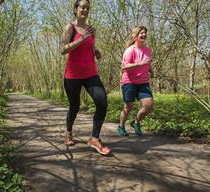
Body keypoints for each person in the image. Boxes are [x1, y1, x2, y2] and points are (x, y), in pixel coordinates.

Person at [60, 0, 110, 155]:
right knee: (74, 106)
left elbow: (91, 46)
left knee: (102, 102)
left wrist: (96, 51)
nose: (85, 10)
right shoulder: (70, 27)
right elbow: (62, 49)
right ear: (75, 9)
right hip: (73, 75)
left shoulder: (91, 29)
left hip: (90, 73)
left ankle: (94, 138)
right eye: (82, 7)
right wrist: (80, 39)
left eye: (88, 8)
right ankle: (68, 131)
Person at [118, 26, 154, 136]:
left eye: (145, 33)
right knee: (128, 107)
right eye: (141, 33)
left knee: (148, 105)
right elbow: (124, 67)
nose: (143, 35)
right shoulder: (130, 50)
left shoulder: (148, 50)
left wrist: (151, 71)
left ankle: (136, 122)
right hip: (129, 82)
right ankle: (121, 126)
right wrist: (140, 64)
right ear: (135, 36)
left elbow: (147, 63)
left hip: (143, 82)